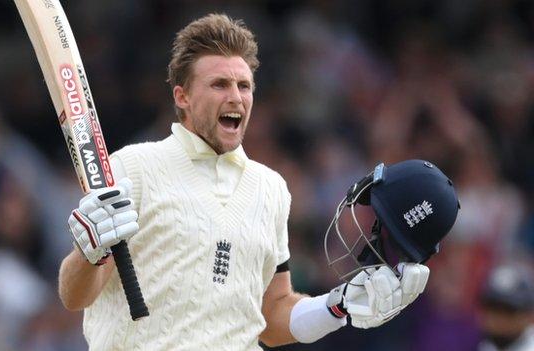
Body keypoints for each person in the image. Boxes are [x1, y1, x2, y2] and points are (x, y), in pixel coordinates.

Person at [58, 14, 440, 350]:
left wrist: (337, 305)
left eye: (244, 85)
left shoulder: (270, 188)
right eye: (220, 84)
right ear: (183, 96)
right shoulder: (134, 167)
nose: (236, 97)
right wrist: (89, 253)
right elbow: (75, 296)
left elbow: (271, 318)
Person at [477, 263, 534, 351]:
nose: (498, 319)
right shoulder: (487, 346)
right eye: (493, 308)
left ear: (529, 316)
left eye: (508, 310)